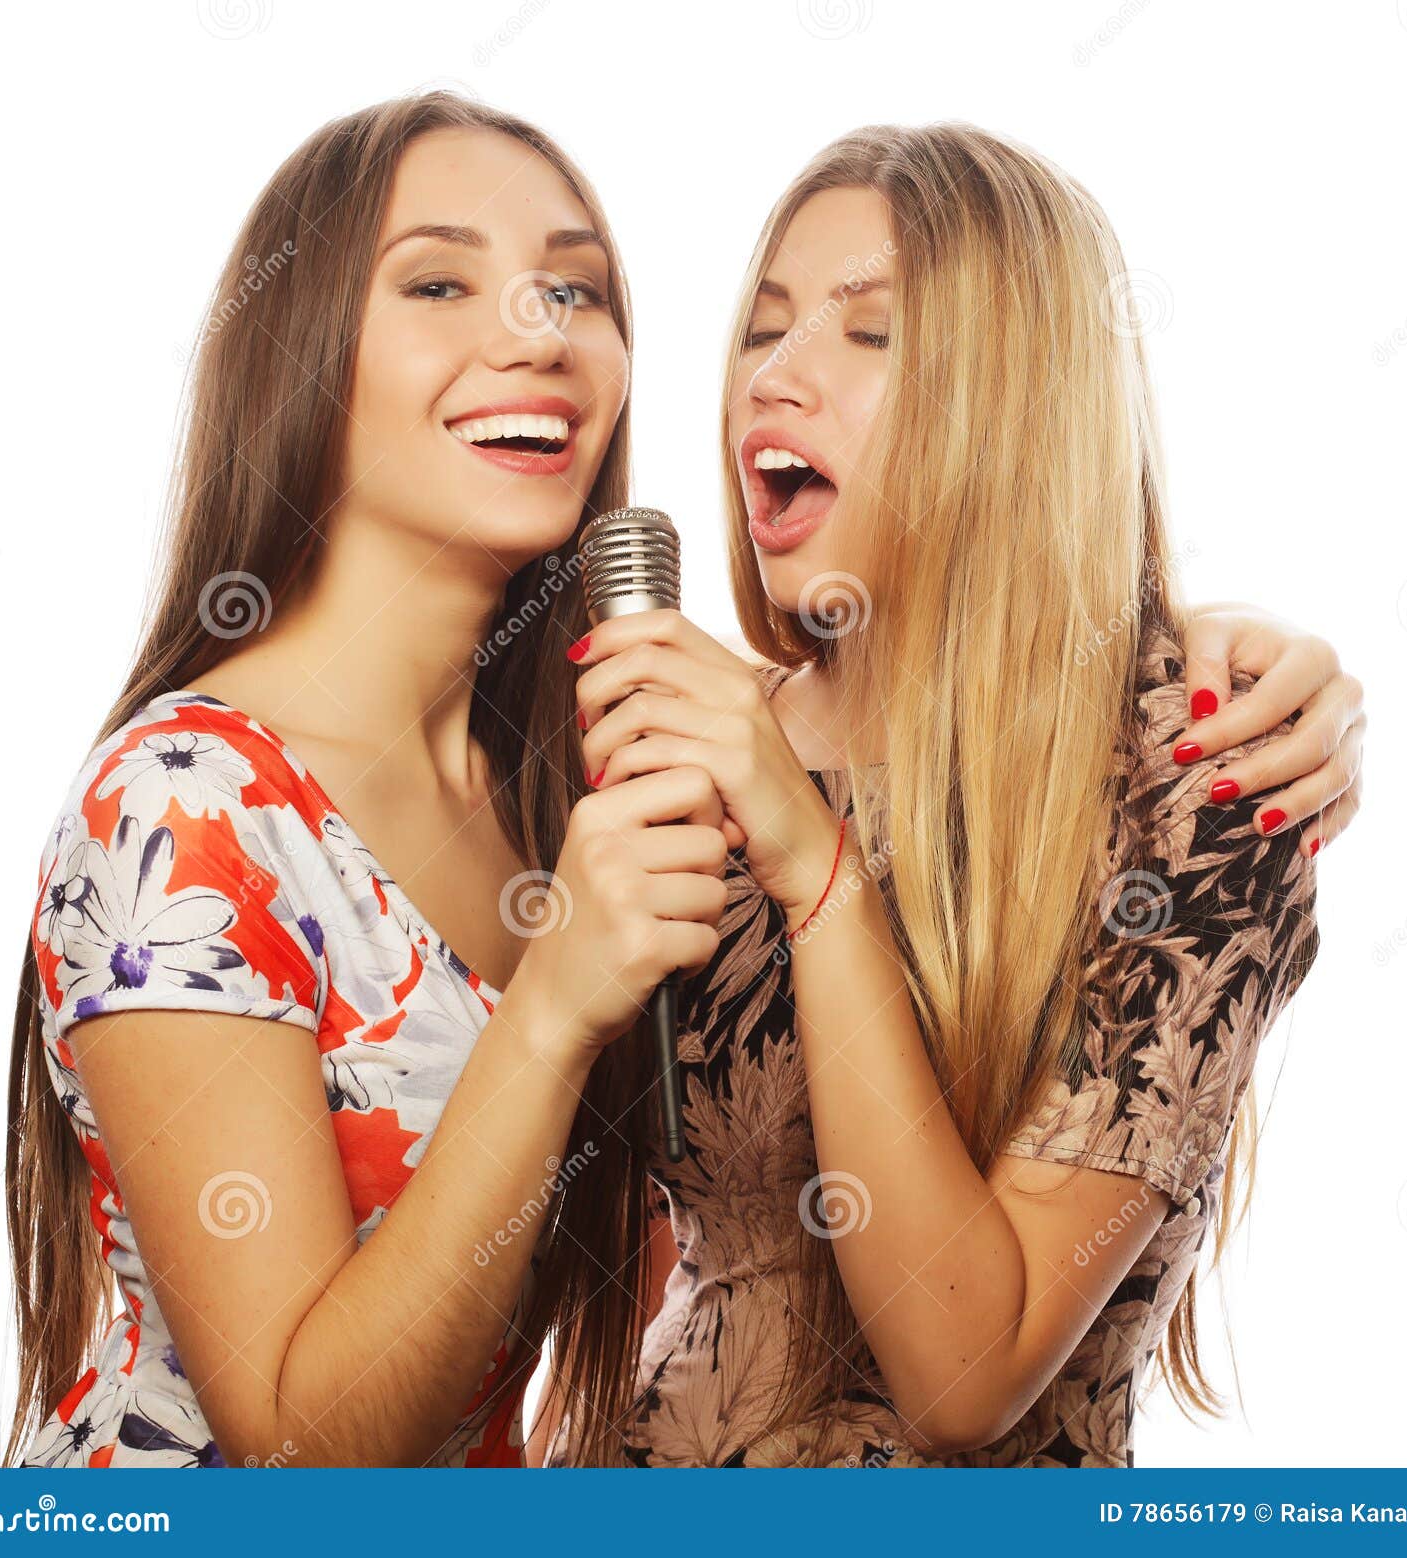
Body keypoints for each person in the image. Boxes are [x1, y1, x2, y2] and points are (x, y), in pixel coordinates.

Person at [542, 120, 1362, 1466]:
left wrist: (816, 866)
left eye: (869, 334)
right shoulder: (691, 752)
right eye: (765, 328)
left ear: (1021, 401)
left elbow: (964, 1368)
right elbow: (642, 1274)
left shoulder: (1198, 783)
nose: (775, 380)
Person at [5, 93, 731, 1469]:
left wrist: (1238, 657)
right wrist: (559, 999)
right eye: (441, 280)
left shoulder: (579, 786)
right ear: (303, 357)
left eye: (573, 287)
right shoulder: (183, 806)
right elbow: (307, 1452)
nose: (539, 333)